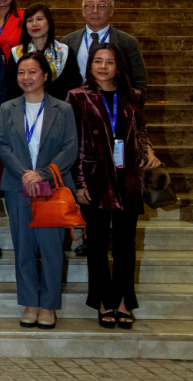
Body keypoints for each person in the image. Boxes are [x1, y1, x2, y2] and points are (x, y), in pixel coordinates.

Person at [67, 43, 160, 329]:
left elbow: (140, 130)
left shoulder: (133, 96)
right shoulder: (77, 97)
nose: (103, 66)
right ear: (90, 65)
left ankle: (122, 301)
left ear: (119, 67)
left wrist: (149, 151)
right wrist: (79, 183)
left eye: (109, 62)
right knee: (95, 244)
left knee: (125, 245)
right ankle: (103, 300)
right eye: (98, 61)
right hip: (95, 178)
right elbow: (76, 141)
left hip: (128, 177)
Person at [0, 51, 79, 331]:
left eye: (32, 72)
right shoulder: (7, 108)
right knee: (24, 247)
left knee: (51, 248)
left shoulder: (63, 109)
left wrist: (41, 174)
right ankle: (30, 301)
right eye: (21, 72)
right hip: (18, 186)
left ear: (45, 75)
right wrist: (25, 174)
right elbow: (1, 145)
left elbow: (70, 148)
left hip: (52, 187)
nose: (26, 77)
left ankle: (48, 305)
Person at [62, 0, 148, 92]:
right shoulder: (67, 42)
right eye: (90, 6)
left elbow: (139, 83)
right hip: (75, 104)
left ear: (111, 11)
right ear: (83, 11)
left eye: (101, 6)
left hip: (114, 104)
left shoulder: (128, 42)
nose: (95, 11)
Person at [4, 3, 82, 100]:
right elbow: (12, 88)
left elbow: (73, 86)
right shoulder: (17, 53)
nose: (34, 24)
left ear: (49, 22)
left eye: (39, 19)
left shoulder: (65, 52)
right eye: (29, 20)